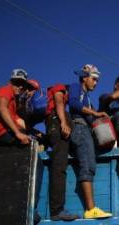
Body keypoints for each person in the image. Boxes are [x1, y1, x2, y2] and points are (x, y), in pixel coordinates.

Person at [68, 64, 112, 219]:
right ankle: (90, 209)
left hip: (84, 129)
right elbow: (73, 103)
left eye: (97, 80)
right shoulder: (75, 87)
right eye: (94, 79)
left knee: (89, 165)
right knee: (87, 165)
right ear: (84, 77)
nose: (96, 83)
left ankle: (91, 208)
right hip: (79, 128)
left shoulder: (87, 96)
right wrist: (94, 112)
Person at [44, 83, 80, 221]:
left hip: (54, 123)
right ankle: (57, 211)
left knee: (60, 165)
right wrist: (64, 122)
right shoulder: (60, 88)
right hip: (57, 123)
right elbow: (59, 100)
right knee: (59, 167)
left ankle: (57, 210)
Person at [0, 69, 31, 146]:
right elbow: (2, 109)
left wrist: (35, 132)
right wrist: (17, 133)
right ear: (10, 82)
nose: (20, 87)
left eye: (23, 84)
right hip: (2, 133)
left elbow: (18, 120)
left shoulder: (13, 102)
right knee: (27, 142)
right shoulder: (7, 89)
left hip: (7, 132)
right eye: (17, 83)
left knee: (33, 138)